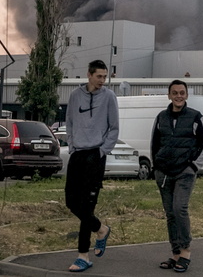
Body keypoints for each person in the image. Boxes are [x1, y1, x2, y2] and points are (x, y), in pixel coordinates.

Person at [64, 59, 119, 273]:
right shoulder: (75, 95)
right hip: (78, 154)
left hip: (95, 155)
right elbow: (69, 121)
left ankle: (82, 256)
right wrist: (72, 145)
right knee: (71, 201)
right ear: (89, 75)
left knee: (87, 206)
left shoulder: (109, 97)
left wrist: (101, 151)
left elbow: (114, 128)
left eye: (105, 77)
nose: (102, 81)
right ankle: (101, 229)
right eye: (99, 77)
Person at [151, 79, 203, 273]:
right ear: (169, 95)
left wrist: (193, 167)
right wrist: (156, 167)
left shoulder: (195, 117)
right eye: (175, 93)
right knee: (170, 214)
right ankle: (175, 254)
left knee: (179, 208)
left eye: (182, 93)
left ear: (186, 95)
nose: (178, 96)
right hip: (164, 173)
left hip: (185, 173)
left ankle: (185, 252)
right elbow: (154, 144)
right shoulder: (161, 117)